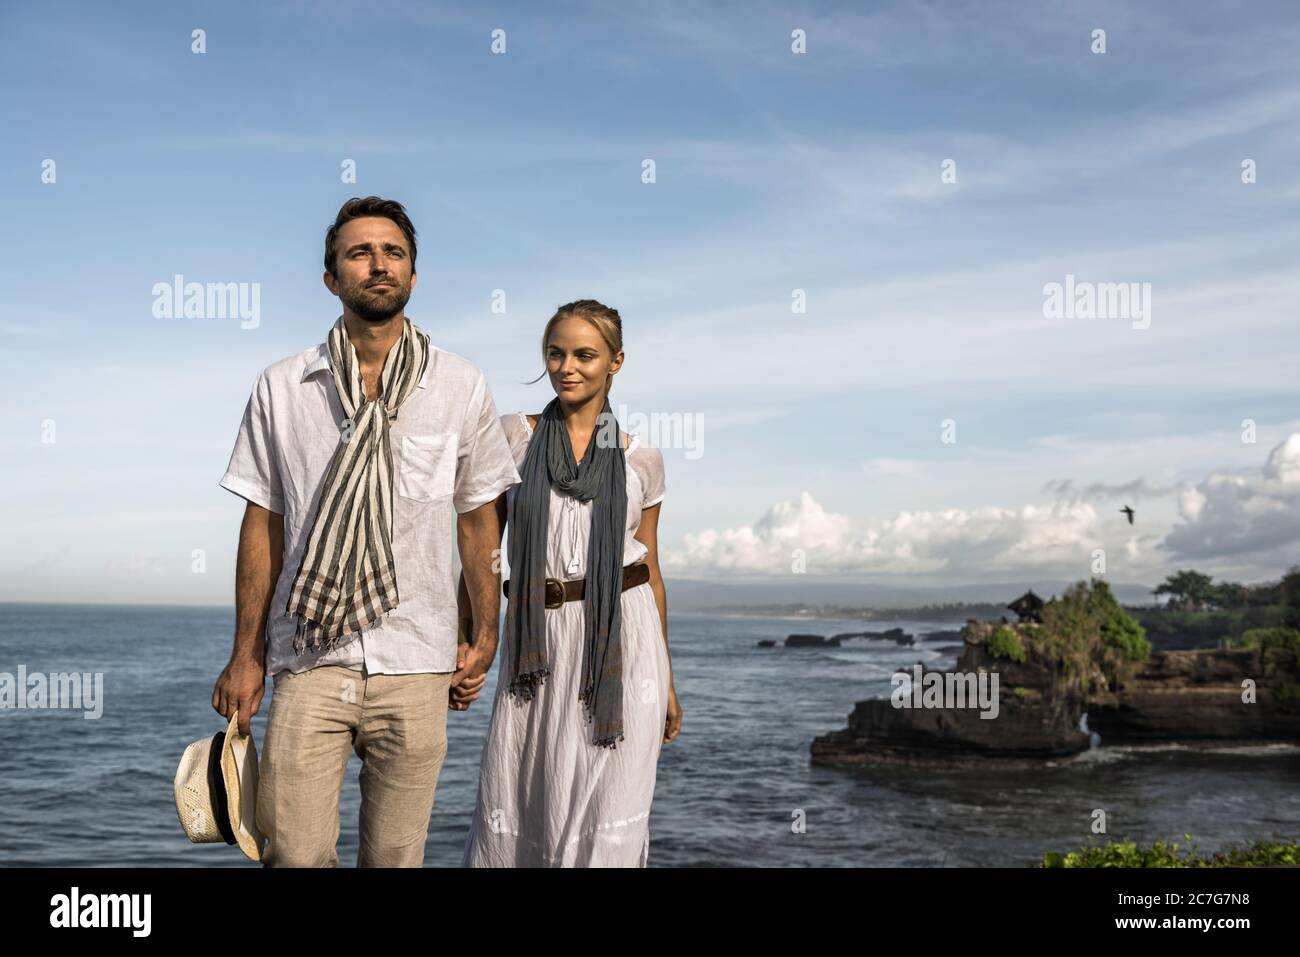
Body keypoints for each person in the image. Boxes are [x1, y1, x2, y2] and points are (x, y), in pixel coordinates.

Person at [211, 196, 520, 867]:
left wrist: (484, 634)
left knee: (395, 858)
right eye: (359, 252)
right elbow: (263, 520)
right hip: (308, 654)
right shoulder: (283, 386)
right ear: (332, 278)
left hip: (417, 655)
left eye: (393, 253)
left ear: (413, 275)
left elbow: (476, 520)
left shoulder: (461, 384)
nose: (378, 265)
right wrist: (246, 652)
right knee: (291, 855)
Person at [459, 298, 683, 868]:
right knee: (520, 791)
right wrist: (471, 640)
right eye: (555, 353)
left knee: (610, 802)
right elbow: (484, 551)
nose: (567, 367)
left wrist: (669, 681)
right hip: (537, 641)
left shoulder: (643, 460)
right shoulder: (515, 437)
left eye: (585, 355)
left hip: (624, 641)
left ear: (616, 362)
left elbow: (651, 571)